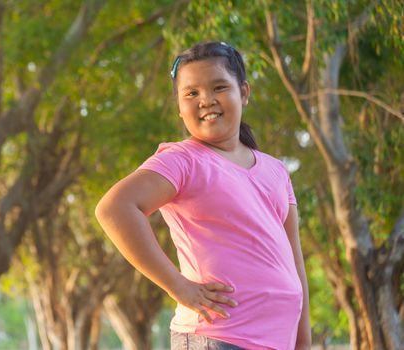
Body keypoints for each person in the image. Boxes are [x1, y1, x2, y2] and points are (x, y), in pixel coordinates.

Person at [95, 41, 311, 350]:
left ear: (244, 93)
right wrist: (178, 286)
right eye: (191, 93)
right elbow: (114, 208)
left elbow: (294, 260)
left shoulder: (276, 171)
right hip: (218, 337)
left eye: (219, 87)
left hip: (278, 341)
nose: (206, 100)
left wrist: (302, 341)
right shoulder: (182, 160)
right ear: (179, 108)